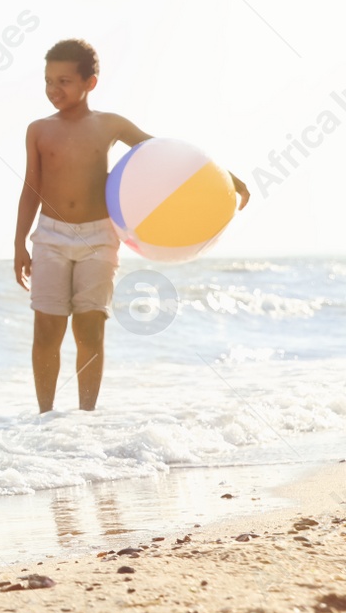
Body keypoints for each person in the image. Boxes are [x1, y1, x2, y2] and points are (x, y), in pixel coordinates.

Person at [13, 38, 249, 413]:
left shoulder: (110, 124)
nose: (53, 90)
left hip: (99, 238)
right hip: (51, 237)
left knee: (90, 330)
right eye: (48, 81)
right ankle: (45, 419)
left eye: (64, 81)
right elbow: (31, 189)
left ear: (90, 83)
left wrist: (225, 176)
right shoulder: (38, 130)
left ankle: (86, 417)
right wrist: (19, 245)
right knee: (47, 331)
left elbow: (166, 156)